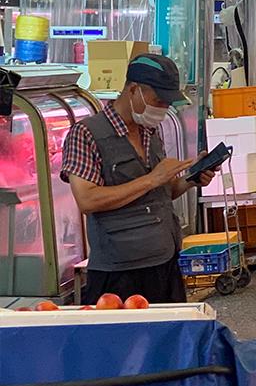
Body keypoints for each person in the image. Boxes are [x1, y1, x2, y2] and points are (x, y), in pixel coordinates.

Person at [61, 54, 215, 304]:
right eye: (158, 100)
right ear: (134, 90)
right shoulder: (86, 134)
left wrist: (191, 179)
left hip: (165, 263)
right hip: (119, 272)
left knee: (168, 340)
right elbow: (87, 199)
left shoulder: (150, 131)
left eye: (168, 103)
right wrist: (153, 179)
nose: (163, 109)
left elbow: (162, 192)